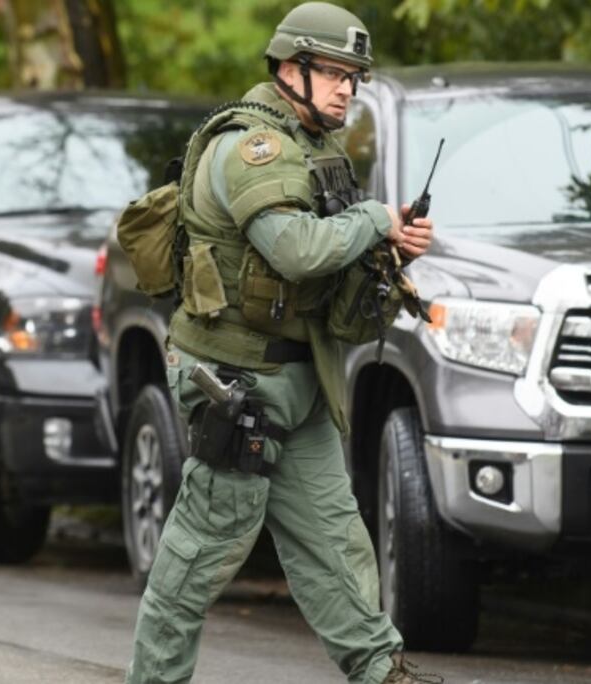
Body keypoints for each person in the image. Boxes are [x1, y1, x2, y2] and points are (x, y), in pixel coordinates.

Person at [125, 3, 439, 683]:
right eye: (332, 73)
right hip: (235, 382)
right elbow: (295, 250)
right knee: (204, 549)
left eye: (354, 77)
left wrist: (393, 247)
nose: (346, 90)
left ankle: (382, 672)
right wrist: (375, 218)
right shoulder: (252, 148)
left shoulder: (315, 146)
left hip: (298, 382)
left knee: (336, 543)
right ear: (290, 68)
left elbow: (332, 270)